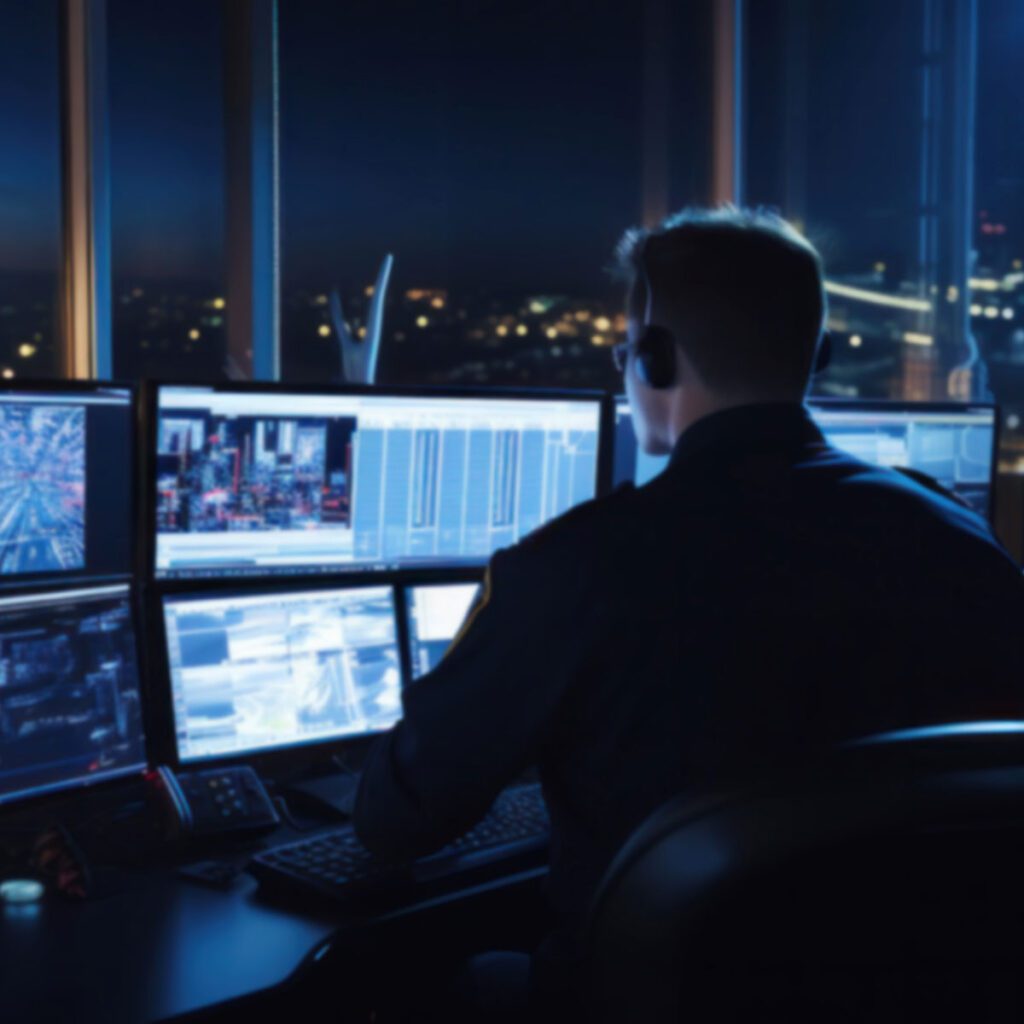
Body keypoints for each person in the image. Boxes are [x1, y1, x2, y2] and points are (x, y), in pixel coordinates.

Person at [354, 206, 1024, 1015]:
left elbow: (395, 821)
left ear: (654, 356)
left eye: (624, 353)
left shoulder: (577, 564)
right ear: (819, 357)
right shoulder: (955, 535)